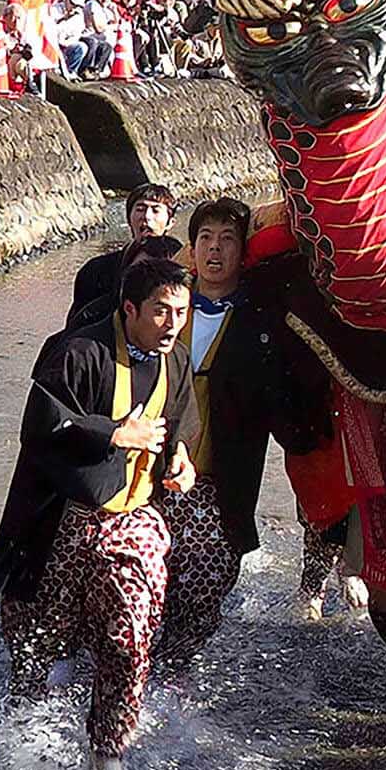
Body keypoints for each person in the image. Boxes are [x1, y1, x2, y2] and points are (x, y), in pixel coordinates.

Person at [0, 258, 199, 770]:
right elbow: (39, 427)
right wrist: (113, 432)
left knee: (130, 640)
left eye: (181, 311)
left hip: (134, 518)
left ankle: (109, 757)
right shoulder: (77, 353)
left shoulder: (177, 356)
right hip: (65, 519)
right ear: (129, 309)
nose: (172, 323)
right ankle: (24, 735)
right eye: (160, 311)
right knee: (36, 640)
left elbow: (178, 424)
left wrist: (179, 459)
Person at [152, 199, 301, 668]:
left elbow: (289, 402)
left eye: (227, 240)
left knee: (210, 575)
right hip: (145, 474)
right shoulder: (163, 309)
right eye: (205, 239)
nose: (214, 250)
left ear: (243, 251)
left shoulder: (263, 321)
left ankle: (175, 669)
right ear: (192, 249)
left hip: (219, 479)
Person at [71, 183, 177, 323]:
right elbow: (76, 324)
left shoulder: (181, 265)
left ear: (170, 223)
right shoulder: (96, 270)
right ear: (128, 218)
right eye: (140, 209)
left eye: (155, 210)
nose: (146, 216)